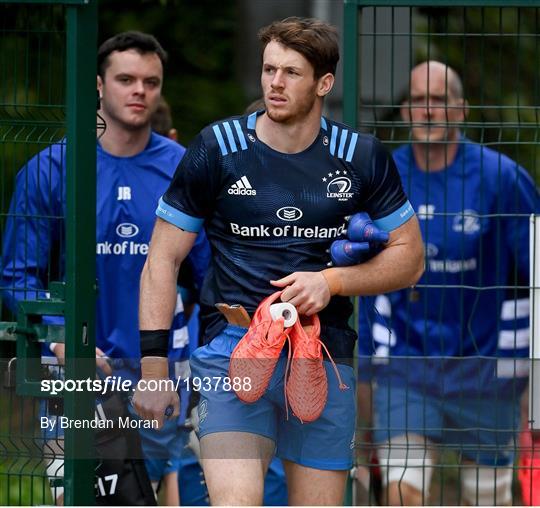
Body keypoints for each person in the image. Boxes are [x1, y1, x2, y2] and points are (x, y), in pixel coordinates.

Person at [133, 17, 423, 506]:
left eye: (291, 72)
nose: (275, 83)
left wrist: (331, 282)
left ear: (323, 83)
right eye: (269, 69)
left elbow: (410, 257)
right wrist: (154, 368)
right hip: (232, 347)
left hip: (323, 353)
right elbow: (161, 258)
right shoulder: (217, 148)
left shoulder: (362, 155)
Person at [0, 31, 189, 506]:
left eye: (151, 81)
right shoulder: (51, 169)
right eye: (126, 79)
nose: (139, 91)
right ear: (100, 86)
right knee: (78, 499)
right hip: (76, 372)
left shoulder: (185, 169)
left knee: (156, 498)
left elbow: (207, 278)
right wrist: (62, 338)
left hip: (159, 374)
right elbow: (18, 274)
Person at [357, 60, 539, 505]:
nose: (428, 111)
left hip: (486, 369)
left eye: (438, 100)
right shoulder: (384, 176)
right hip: (406, 363)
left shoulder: (502, 178)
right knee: (401, 492)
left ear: (461, 109)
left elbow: (537, 271)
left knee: (488, 497)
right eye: (418, 100)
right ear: (404, 112)